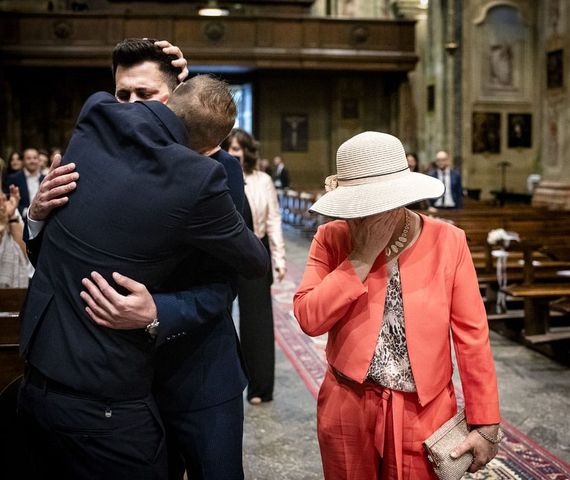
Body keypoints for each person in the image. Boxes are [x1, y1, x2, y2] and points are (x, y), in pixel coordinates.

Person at [18, 74, 269, 479]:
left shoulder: (213, 174)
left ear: (169, 100)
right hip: (103, 383)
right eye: (123, 94)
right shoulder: (97, 135)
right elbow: (62, 259)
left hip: (193, 373)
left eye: (145, 95)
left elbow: (228, 282)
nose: (130, 105)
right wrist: (37, 216)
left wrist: (159, 312)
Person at [293, 131, 501, 479]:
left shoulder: (448, 240)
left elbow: (472, 337)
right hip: (348, 403)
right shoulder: (332, 237)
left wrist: (485, 424)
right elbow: (309, 318)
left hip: (424, 409)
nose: (364, 214)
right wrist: (359, 259)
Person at [223, 128, 286, 405]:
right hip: (222, 254)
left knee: (257, 322)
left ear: (247, 151)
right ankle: (222, 384)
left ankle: (260, 387)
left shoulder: (263, 181)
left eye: (238, 148)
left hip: (254, 253)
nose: (234, 153)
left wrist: (279, 258)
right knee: (218, 317)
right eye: (230, 147)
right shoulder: (217, 173)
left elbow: (273, 220)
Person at [0, 185, 29, 288]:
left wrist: (11, 216)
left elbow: (25, 254)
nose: (3, 197)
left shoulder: (6, 205)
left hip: (13, 295)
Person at [3, 148, 44, 218]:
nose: (32, 161)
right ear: (23, 161)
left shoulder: (45, 178)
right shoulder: (13, 178)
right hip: (22, 219)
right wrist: (25, 212)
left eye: (35, 158)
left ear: (39, 160)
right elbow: (8, 200)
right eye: (28, 158)